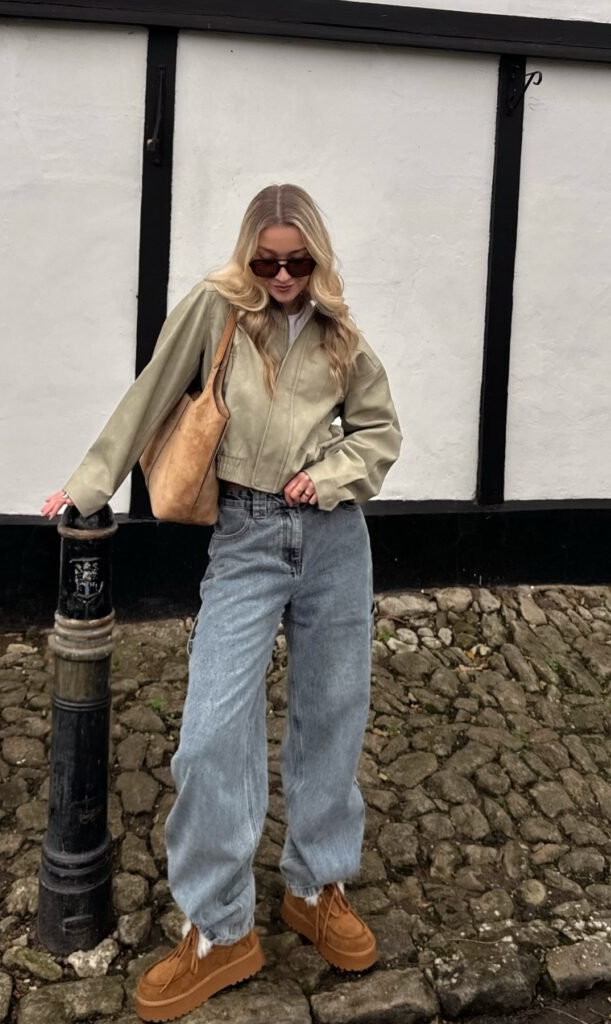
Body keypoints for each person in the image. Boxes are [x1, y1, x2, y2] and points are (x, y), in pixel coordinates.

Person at [41, 183, 402, 1022]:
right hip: (244, 534)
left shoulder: (341, 331)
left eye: (296, 261)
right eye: (266, 259)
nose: (281, 275)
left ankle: (316, 886)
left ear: (317, 256)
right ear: (248, 254)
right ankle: (219, 927)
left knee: (333, 712)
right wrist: (88, 484)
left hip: (334, 538)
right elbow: (153, 391)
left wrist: (337, 474)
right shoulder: (217, 308)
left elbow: (380, 430)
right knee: (209, 734)